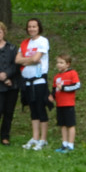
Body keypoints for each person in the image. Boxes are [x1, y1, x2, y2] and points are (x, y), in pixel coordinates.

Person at [16, 18, 51, 150]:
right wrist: (28, 61)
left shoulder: (43, 41)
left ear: (39, 28)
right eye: (29, 26)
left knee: (41, 108)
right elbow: (17, 59)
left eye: (34, 26)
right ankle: (35, 137)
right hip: (27, 80)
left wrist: (26, 60)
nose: (31, 29)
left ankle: (43, 139)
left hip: (39, 80)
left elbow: (37, 58)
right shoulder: (25, 43)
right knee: (33, 110)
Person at [52, 54, 81, 152]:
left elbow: (77, 85)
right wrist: (52, 96)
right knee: (62, 124)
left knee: (70, 124)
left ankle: (70, 144)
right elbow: (54, 89)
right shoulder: (57, 76)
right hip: (59, 104)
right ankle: (64, 144)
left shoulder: (72, 73)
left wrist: (64, 88)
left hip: (68, 104)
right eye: (58, 63)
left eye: (61, 63)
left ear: (68, 64)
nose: (59, 65)